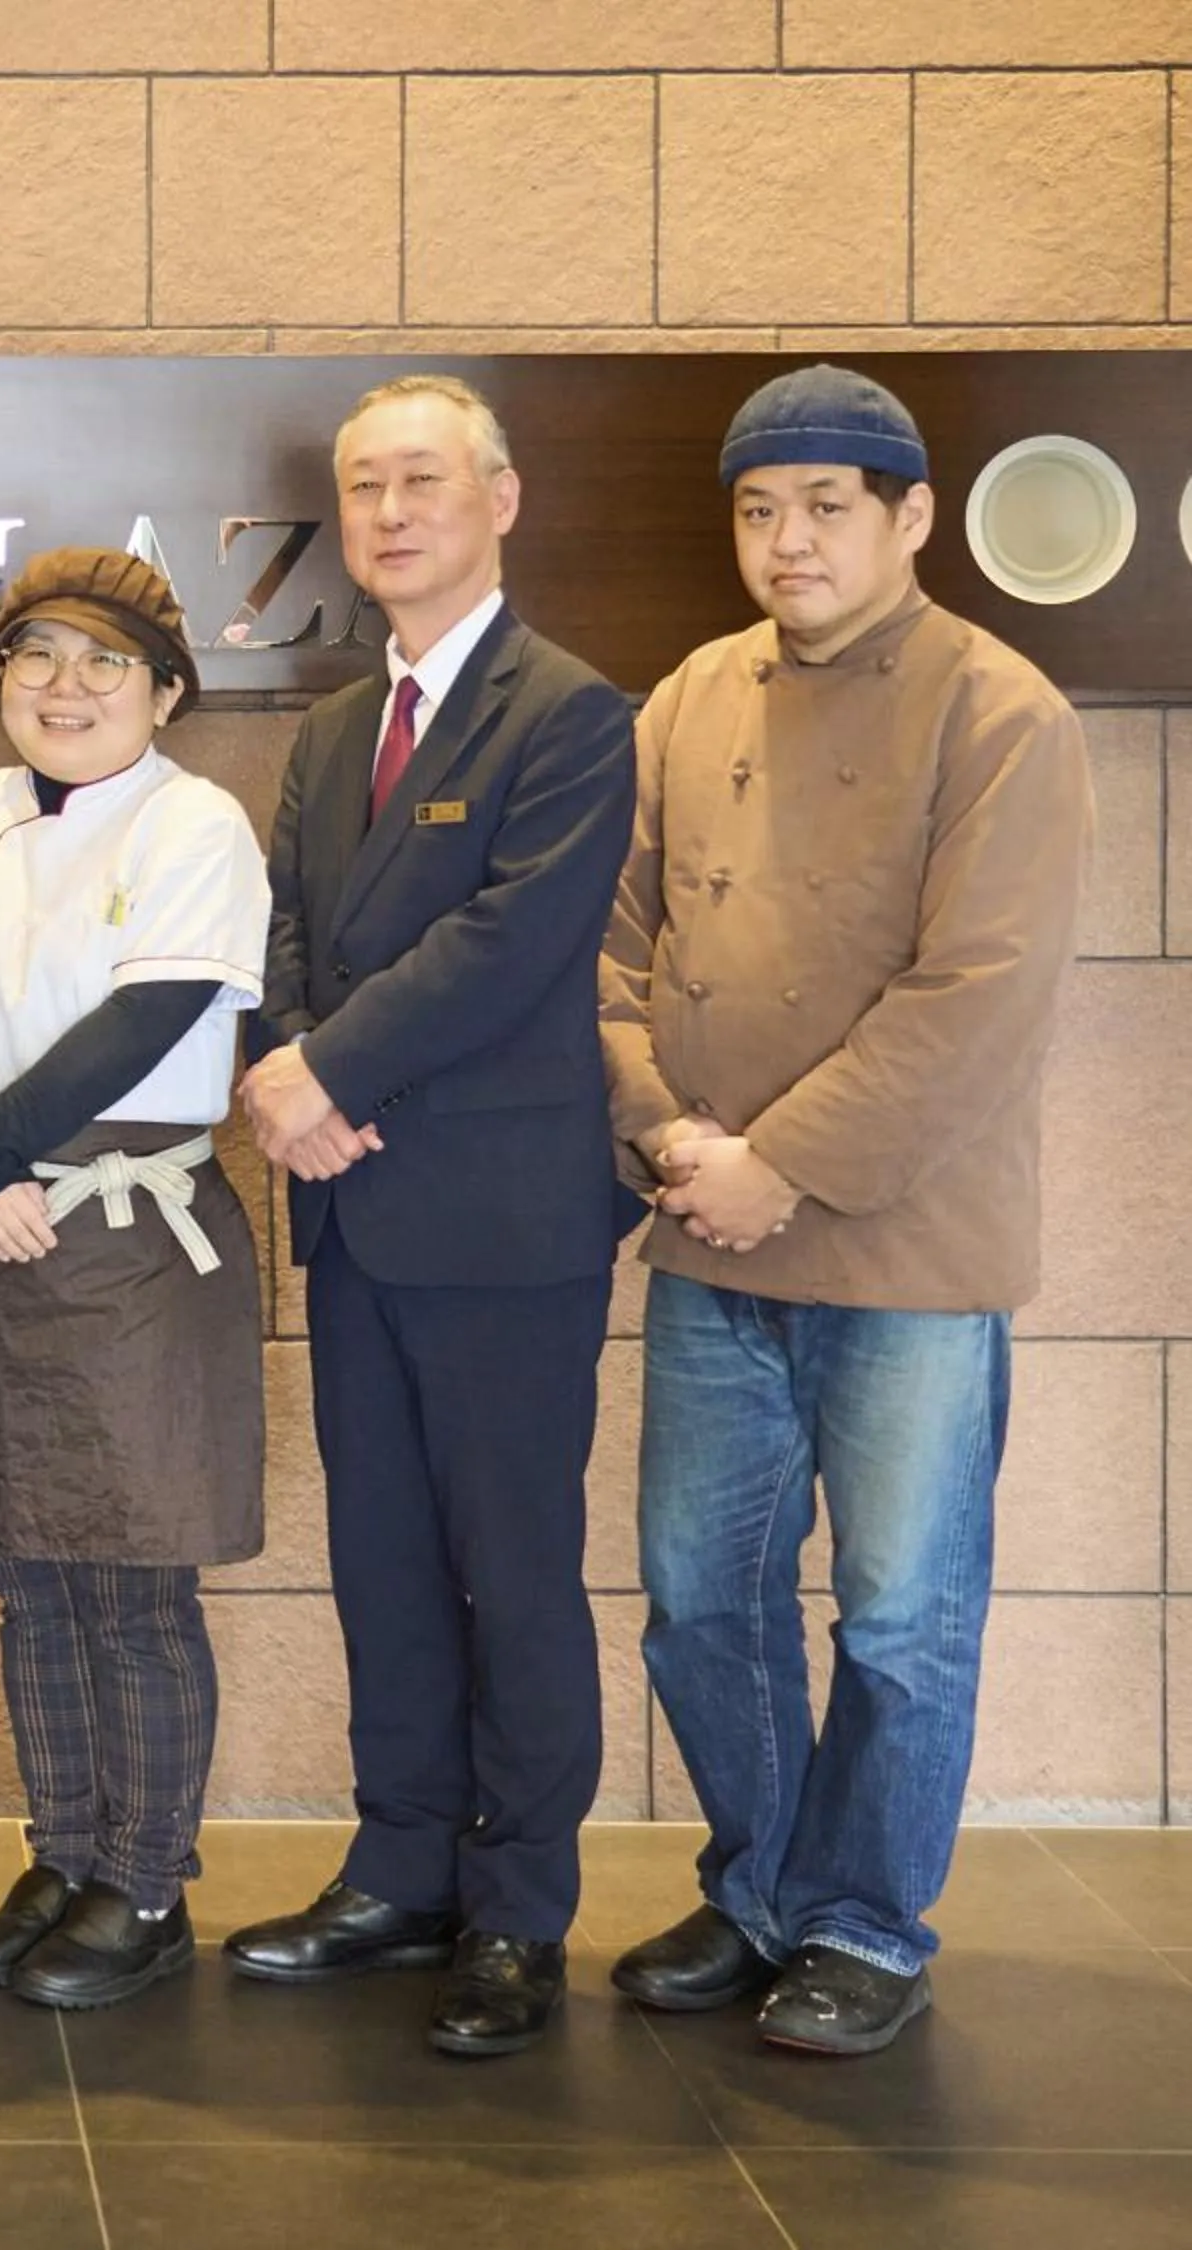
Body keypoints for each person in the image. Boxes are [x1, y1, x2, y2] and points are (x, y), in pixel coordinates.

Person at [600, 366, 1092, 2056]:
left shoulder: (1000, 707)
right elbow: (611, 955)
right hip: (705, 1230)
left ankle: (868, 1923)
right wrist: (669, 1134)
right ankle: (759, 1888)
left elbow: (976, 995)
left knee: (897, 1610)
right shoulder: (685, 698)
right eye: (758, 507)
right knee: (700, 1592)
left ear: (910, 520)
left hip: (906, 1252)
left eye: (824, 505)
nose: (787, 539)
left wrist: (778, 1162)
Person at [221, 375, 638, 2057]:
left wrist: (317, 1071)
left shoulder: (571, 712)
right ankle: (401, 1866)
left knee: (512, 1568)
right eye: (366, 488)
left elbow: (512, 946)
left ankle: (521, 1907)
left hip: (505, 1222)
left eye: (424, 483)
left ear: (500, 500)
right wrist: (282, 1074)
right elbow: (286, 940)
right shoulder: (331, 726)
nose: (392, 514)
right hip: (352, 1207)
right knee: (385, 1559)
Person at [0, 548, 269, 2011]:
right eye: (36, 655)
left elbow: (154, 1010)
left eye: (106, 661)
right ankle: (64, 1849)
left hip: (125, 1223)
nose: (65, 687)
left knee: (134, 1585)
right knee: (28, 1574)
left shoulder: (195, 820)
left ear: (167, 689)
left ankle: (148, 1879)